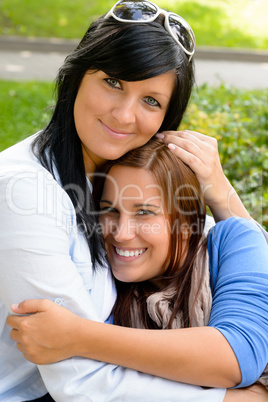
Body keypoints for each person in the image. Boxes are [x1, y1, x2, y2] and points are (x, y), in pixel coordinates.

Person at [0, 0, 266, 400]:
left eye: (151, 101)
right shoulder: (24, 192)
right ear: (76, 77)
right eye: (113, 82)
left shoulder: (116, 171)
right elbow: (81, 382)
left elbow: (246, 280)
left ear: (166, 120)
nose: (124, 116)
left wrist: (220, 191)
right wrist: (235, 400)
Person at [7, 140, 268, 402]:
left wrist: (77, 335)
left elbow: (239, 354)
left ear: (187, 223)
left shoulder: (234, 242)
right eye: (110, 209)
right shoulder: (105, 283)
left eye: (144, 212)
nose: (121, 233)